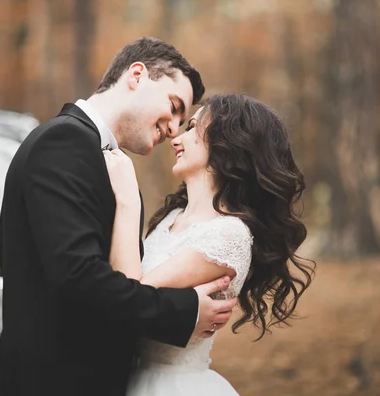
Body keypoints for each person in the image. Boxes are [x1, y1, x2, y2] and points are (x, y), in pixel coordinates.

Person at [0, 38, 239, 396]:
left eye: (183, 121)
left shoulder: (103, 161)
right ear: (137, 75)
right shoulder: (63, 143)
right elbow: (78, 277)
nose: (174, 130)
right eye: (174, 106)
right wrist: (184, 312)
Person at [103, 93, 316, 395]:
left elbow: (130, 295)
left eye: (192, 127)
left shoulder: (229, 235)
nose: (177, 137)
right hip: (128, 377)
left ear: (229, 144)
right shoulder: (172, 217)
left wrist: (126, 199)